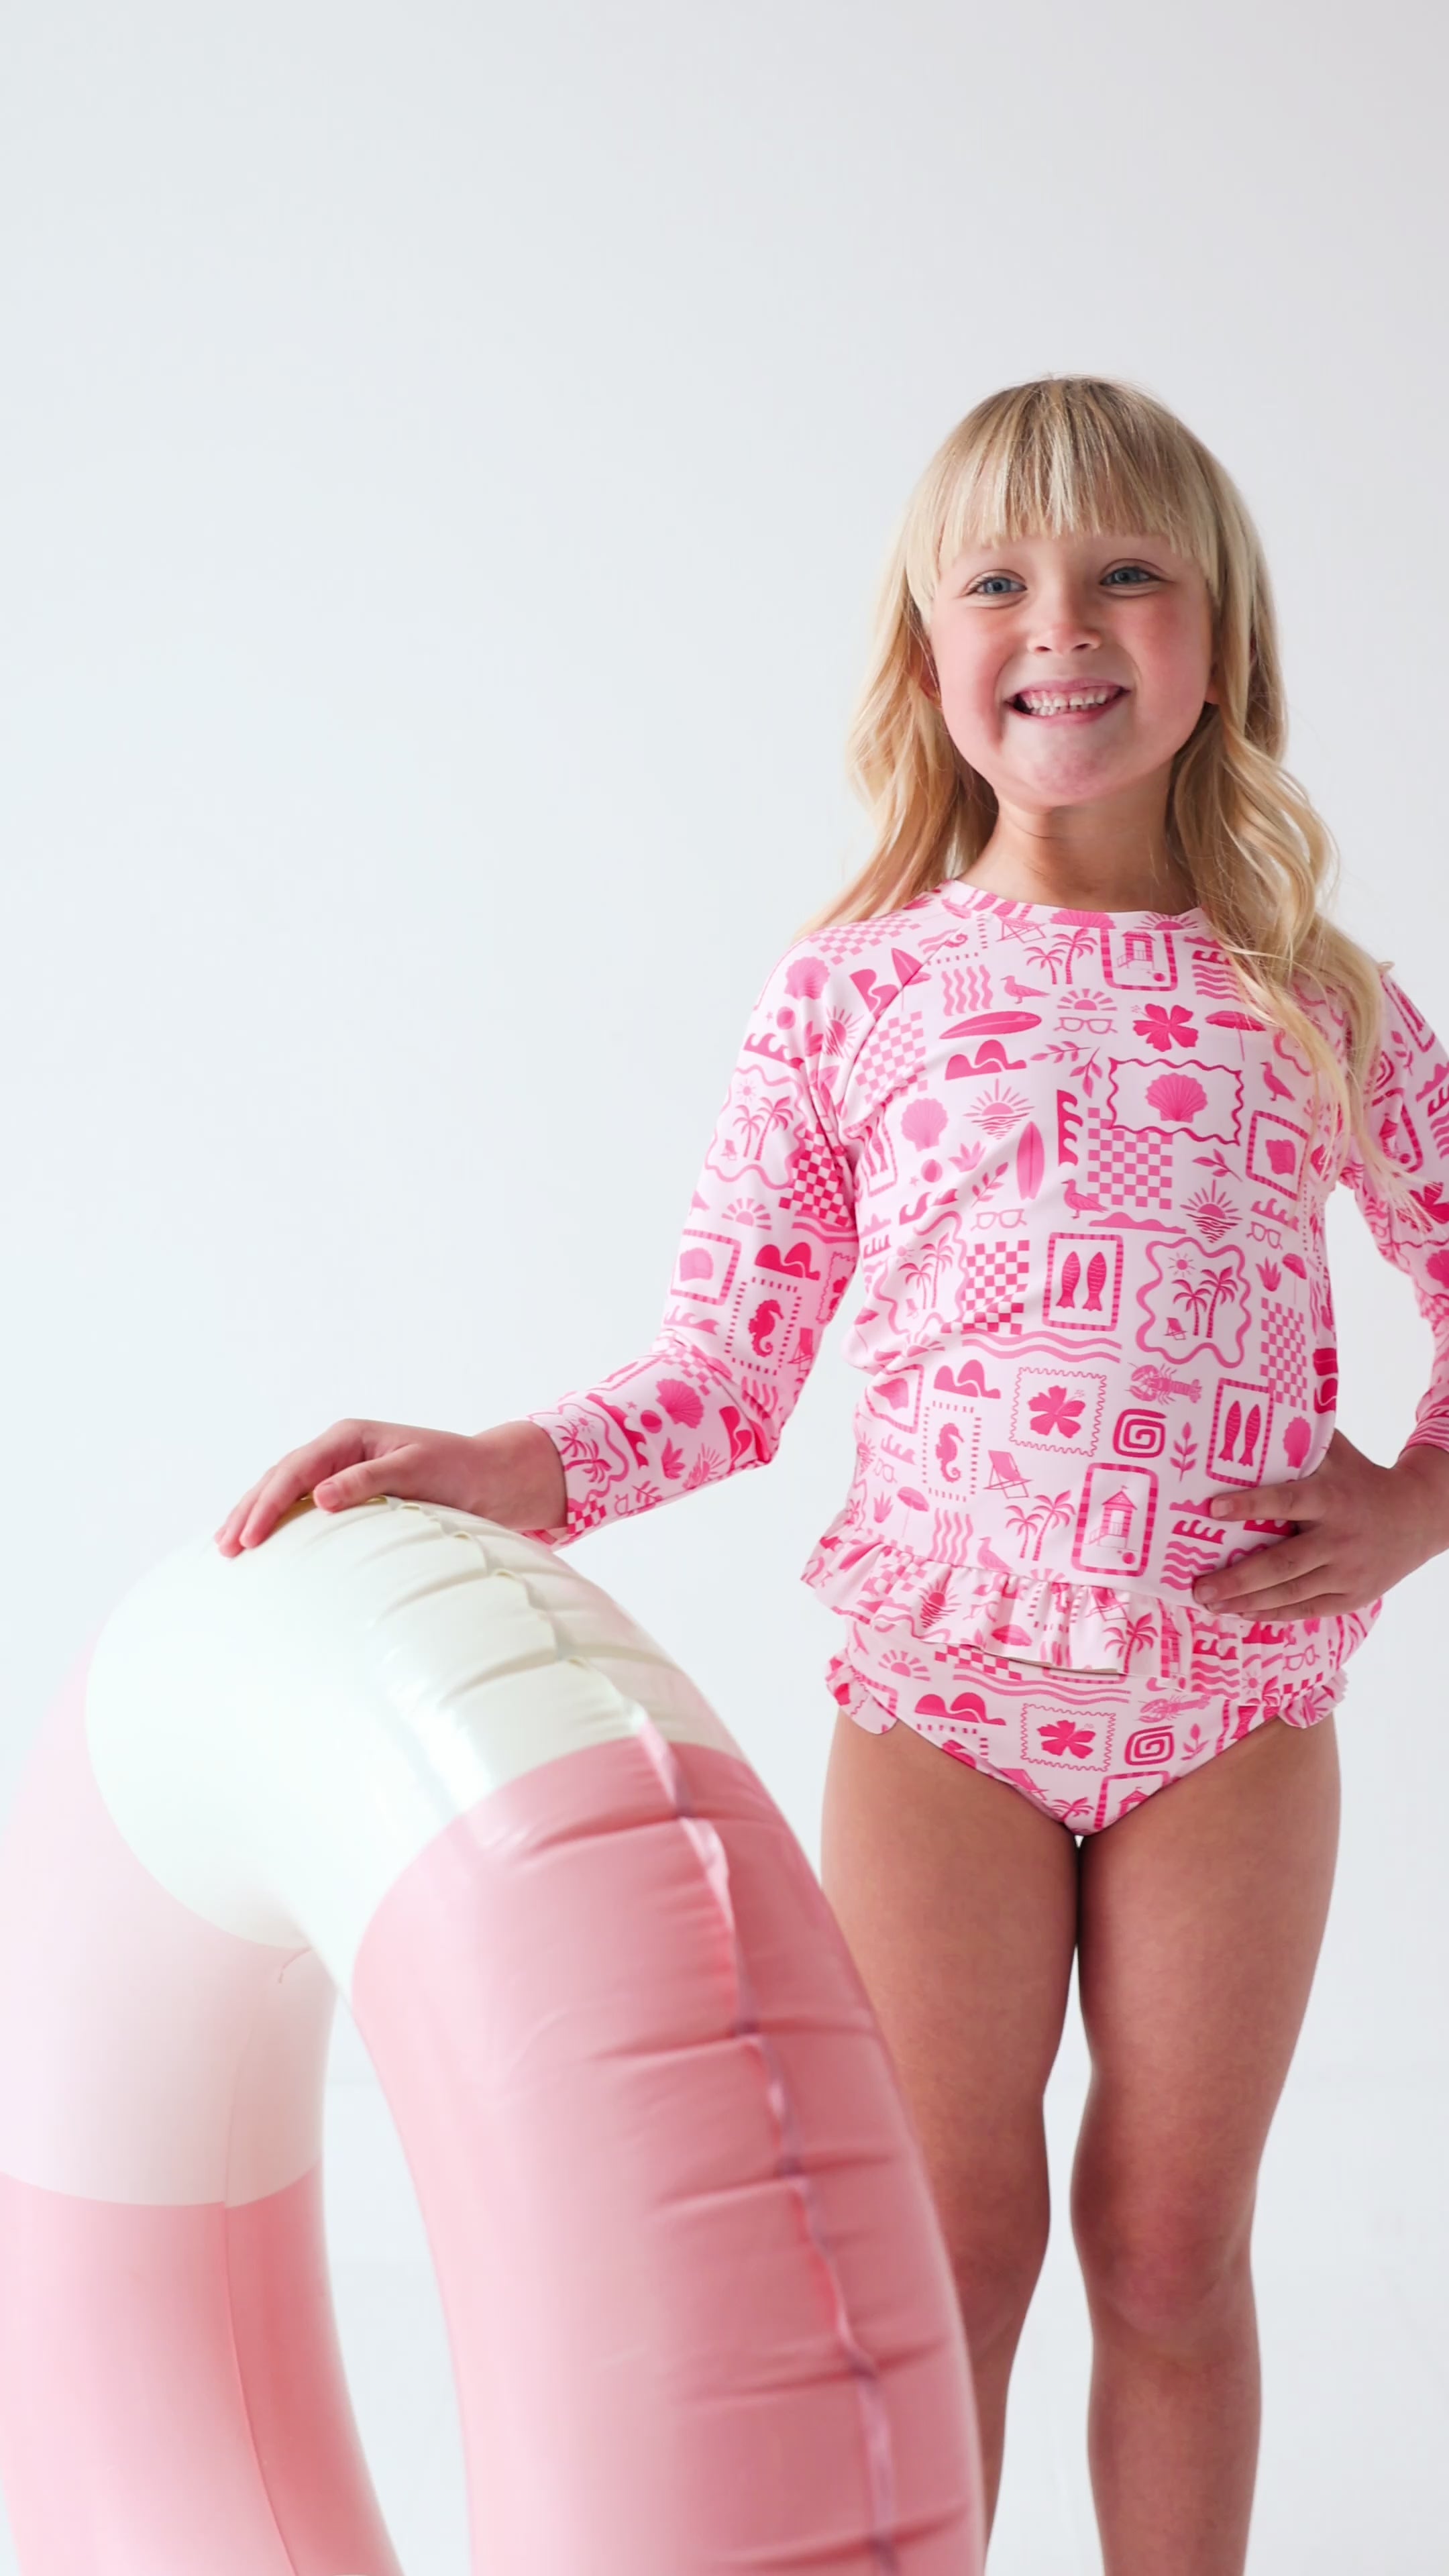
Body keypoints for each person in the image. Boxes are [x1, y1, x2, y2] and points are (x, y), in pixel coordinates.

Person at [215, 377, 1449, 2574]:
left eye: (1127, 574)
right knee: (946, 2253)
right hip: (946, 1712)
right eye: (1000, 580)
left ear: (1221, 648)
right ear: (928, 654)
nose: (1061, 622)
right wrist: (511, 1461)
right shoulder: (851, 997)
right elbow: (728, 1365)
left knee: (1169, 2251)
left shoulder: (1315, 999)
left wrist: (1422, 1498)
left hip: (1232, 1720)